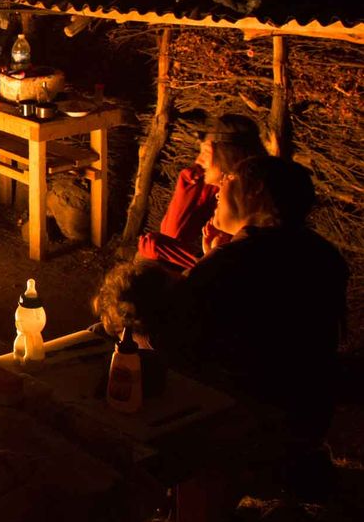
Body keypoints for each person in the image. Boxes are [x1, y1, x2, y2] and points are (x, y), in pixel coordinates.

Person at [103, 155, 348, 501]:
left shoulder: (233, 263)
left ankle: (191, 498)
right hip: (310, 416)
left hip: (256, 420)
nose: (216, 190)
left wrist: (124, 329)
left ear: (257, 190)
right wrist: (211, 258)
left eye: (228, 179)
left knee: (133, 346)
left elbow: (170, 337)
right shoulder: (323, 254)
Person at [137, 113, 266, 269]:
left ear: (227, 155)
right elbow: (173, 235)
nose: (198, 161)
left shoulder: (253, 201)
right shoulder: (215, 192)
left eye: (205, 152)